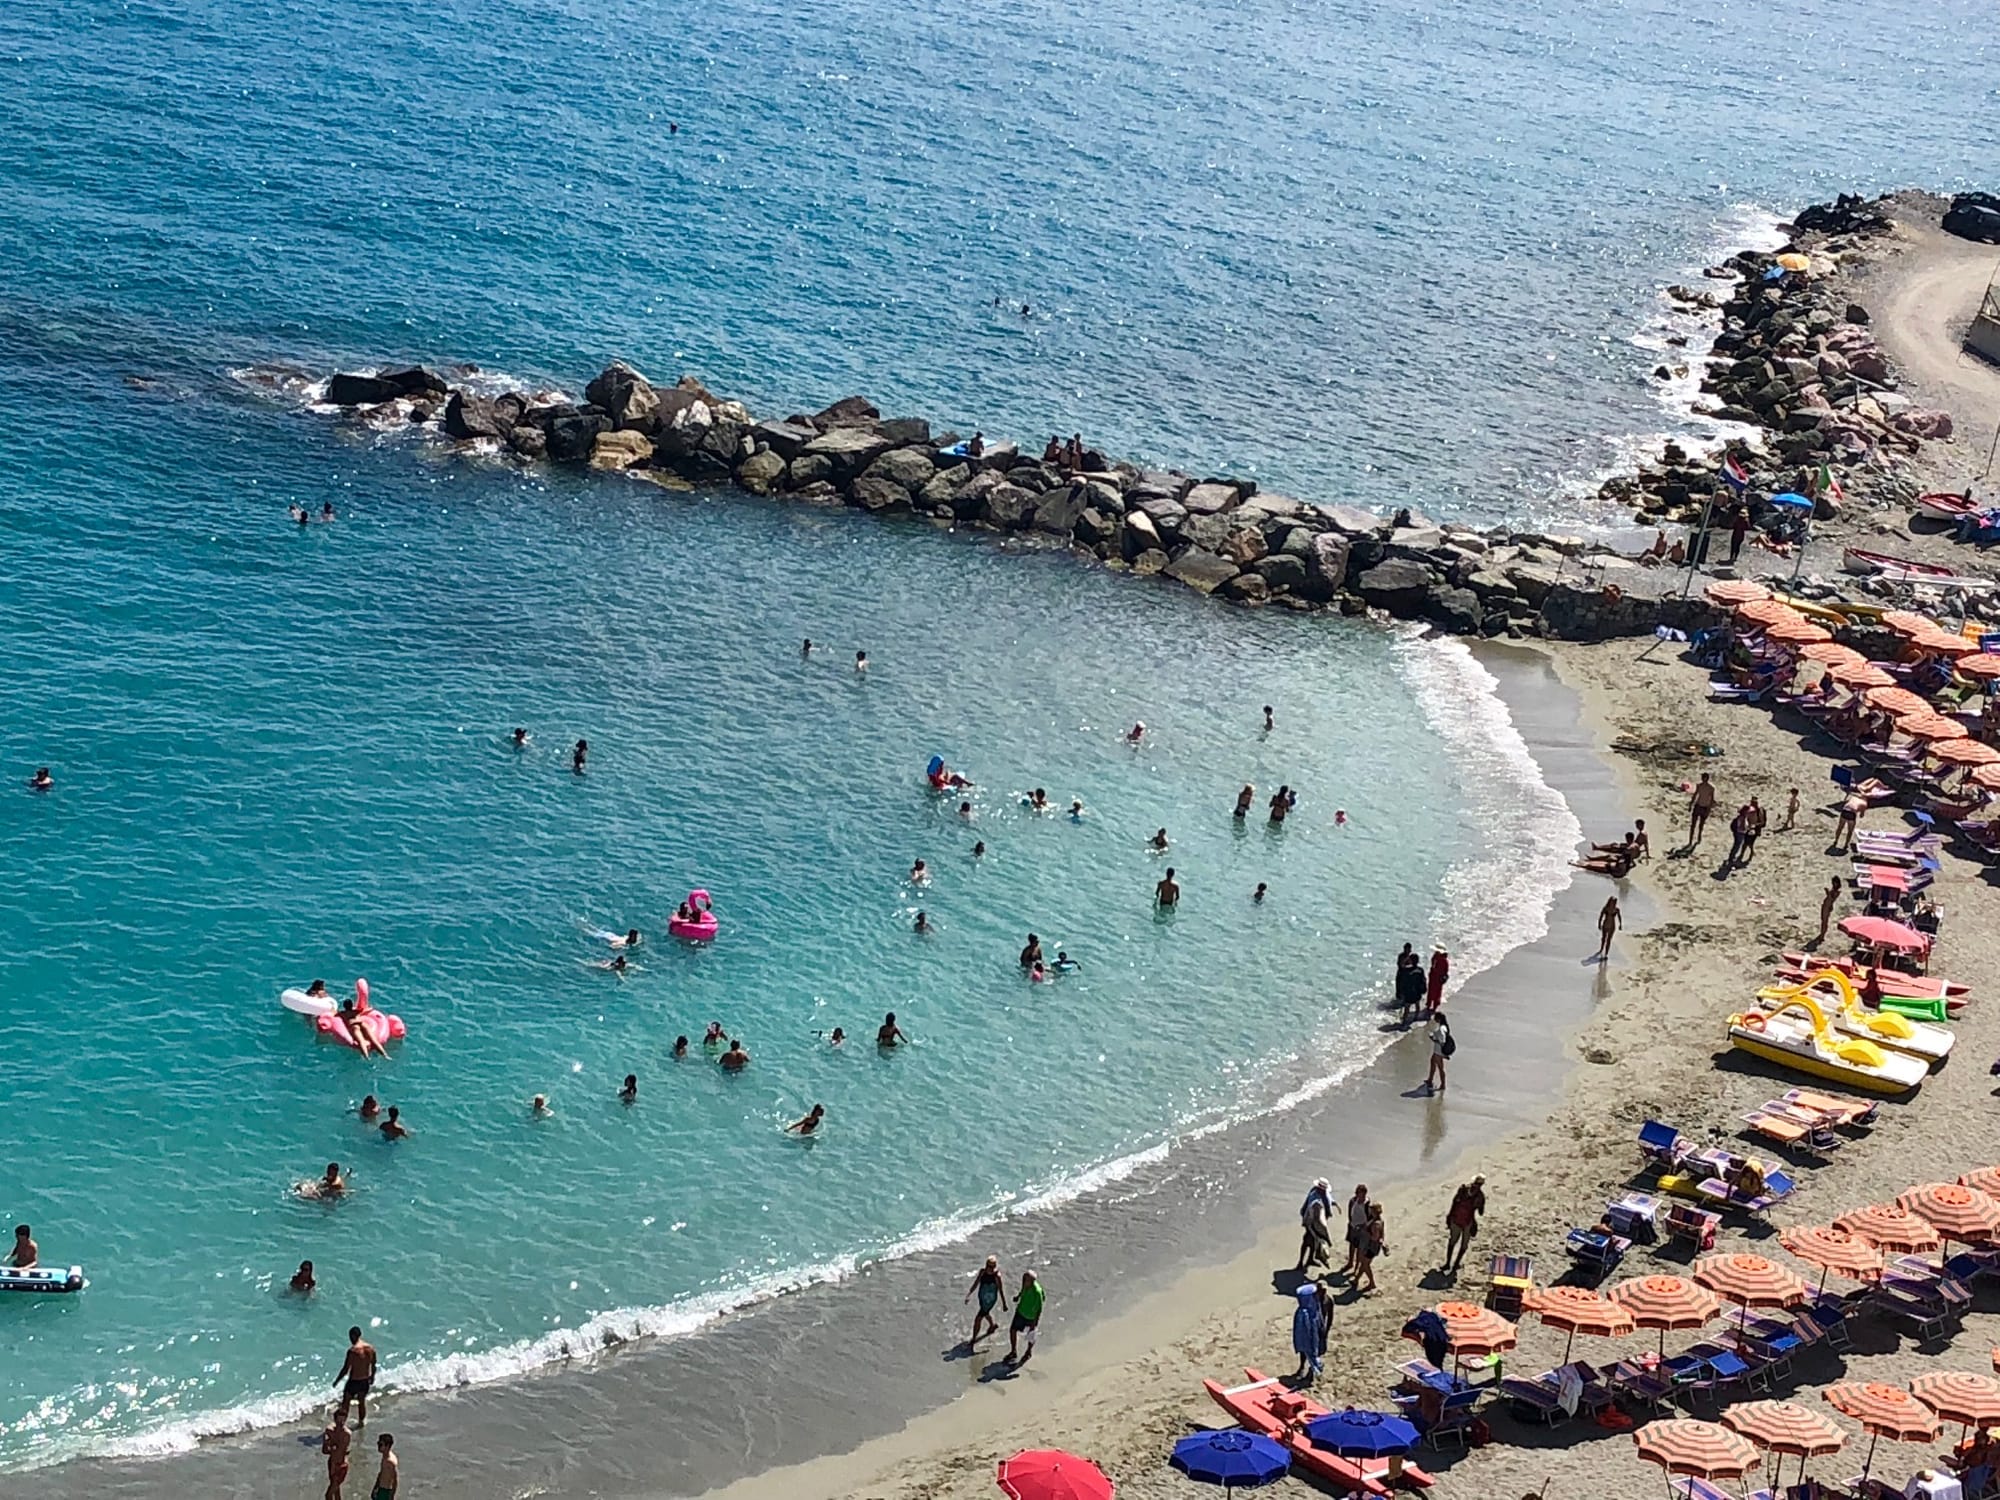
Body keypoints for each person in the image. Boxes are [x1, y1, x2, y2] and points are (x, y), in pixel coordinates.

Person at [335, 1326, 377, 1425]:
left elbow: (346, 1369)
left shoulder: (353, 1351)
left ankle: (342, 1424)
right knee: (361, 1402)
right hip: (365, 1380)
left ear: (353, 1336)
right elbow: (373, 1365)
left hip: (354, 1381)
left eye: (350, 1337)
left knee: (346, 1402)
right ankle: (361, 1423)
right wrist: (372, 1377)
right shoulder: (370, 1348)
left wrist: (337, 1381)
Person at [1443, 1176, 1485, 1274]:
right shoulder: (1479, 1195)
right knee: (1461, 1244)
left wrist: (1449, 1216)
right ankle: (1454, 1264)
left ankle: (1449, 1263)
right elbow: (1481, 1212)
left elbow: (1454, 1203)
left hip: (1458, 1219)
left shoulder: (1464, 1190)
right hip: (1466, 1221)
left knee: (1454, 1242)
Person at [966, 1255, 1008, 1347]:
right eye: (988, 1266)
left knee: (978, 1318)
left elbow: (1000, 1290)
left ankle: (974, 1338)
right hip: (982, 1297)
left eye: (992, 1267)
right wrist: (969, 1294)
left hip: (990, 1300)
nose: (990, 1269)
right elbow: (976, 1283)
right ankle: (992, 1325)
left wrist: (1004, 1303)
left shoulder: (997, 1276)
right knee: (985, 1313)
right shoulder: (982, 1272)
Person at [1007, 1270, 1043, 1366]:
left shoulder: (1037, 1292)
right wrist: (1018, 1297)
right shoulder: (1025, 1284)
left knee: (1031, 1335)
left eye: (1026, 1280)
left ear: (1031, 1282)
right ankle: (1013, 1351)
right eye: (1023, 1279)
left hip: (1031, 1317)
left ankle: (1028, 1351)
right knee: (1013, 1330)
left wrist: (1035, 1322)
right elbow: (1023, 1290)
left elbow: (1039, 1308)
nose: (1023, 1281)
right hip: (1020, 1312)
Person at [1291, 1283, 1325, 1382]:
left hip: (1314, 1335)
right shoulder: (1303, 1313)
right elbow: (1305, 1329)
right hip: (1307, 1338)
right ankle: (1314, 1369)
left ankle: (1314, 1369)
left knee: (1314, 1351)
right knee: (1309, 1351)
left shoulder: (1313, 1306)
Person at [1296, 1178, 1333, 1272]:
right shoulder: (1315, 1199)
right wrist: (1327, 1237)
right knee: (1307, 1241)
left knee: (1314, 1241)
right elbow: (1316, 1215)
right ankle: (1300, 1262)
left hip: (1317, 1222)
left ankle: (1310, 1259)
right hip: (1311, 1222)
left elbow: (1329, 1199)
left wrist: (1334, 1203)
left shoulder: (1324, 1195)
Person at [322, 1410, 353, 1500]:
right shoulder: (329, 1431)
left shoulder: (346, 1434)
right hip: (332, 1464)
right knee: (336, 1491)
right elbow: (324, 1451)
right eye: (339, 1421)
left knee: (328, 1494)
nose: (341, 1423)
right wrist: (327, 1444)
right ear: (335, 1420)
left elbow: (344, 1450)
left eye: (343, 1421)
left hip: (341, 1466)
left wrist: (334, 1445)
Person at [1342, 1185, 1370, 1277]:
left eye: (1363, 1194)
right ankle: (1350, 1262)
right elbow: (1350, 1212)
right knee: (1352, 1245)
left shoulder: (1367, 1203)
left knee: (1359, 1249)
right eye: (1359, 1194)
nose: (1361, 1196)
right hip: (1353, 1226)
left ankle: (1357, 1266)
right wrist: (1351, 1222)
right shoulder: (1353, 1201)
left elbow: (1369, 1218)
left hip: (1362, 1228)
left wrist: (1364, 1227)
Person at [1358, 1202, 1386, 1293]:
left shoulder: (1375, 1224)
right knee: (1364, 1263)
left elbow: (1375, 1237)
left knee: (1365, 1264)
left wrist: (1366, 1232)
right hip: (1373, 1247)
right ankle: (1356, 1279)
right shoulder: (1380, 1220)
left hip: (1371, 1247)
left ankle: (1372, 1283)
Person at [1394, 950, 1426, 1025]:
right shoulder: (1420, 970)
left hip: (1409, 992)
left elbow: (1403, 982)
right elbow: (1423, 980)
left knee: (1407, 1008)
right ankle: (1416, 1017)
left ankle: (1404, 1021)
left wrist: (1401, 992)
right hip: (1417, 991)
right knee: (1417, 1005)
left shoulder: (1406, 971)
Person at [1687, 772, 1716, 847]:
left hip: (1703, 807)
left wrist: (1709, 809)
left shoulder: (1710, 788)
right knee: (1694, 825)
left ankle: (1697, 838)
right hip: (1700, 806)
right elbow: (1695, 795)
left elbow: (1711, 799)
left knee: (1700, 825)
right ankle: (1692, 839)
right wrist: (1691, 804)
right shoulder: (1701, 786)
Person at [1427, 1011, 1452, 1093]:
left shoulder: (1441, 1029)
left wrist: (1433, 1039)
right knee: (1432, 1062)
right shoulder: (1445, 1027)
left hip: (1439, 1051)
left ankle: (1443, 1084)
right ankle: (1430, 1079)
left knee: (1440, 1068)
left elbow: (1442, 1041)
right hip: (1438, 1051)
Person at [1815, 875, 1843, 945]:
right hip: (1826, 905)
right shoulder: (1834, 890)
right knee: (1823, 920)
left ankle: (1822, 935)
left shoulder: (1836, 892)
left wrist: (1827, 892)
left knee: (1824, 922)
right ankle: (1822, 934)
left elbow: (1831, 898)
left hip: (1827, 906)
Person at [1739, 796, 1766, 865]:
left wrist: (1754, 825)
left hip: (1755, 829)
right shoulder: (1750, 809)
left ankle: (1750, 853)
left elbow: (1762, 822)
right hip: (1748, 828)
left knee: (1750, 843)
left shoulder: (1760, 811)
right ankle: (1743, 853)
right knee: (1745, 842)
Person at [370, 1433, 398, 1500]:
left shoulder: (390, 1462)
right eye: (378, 1444)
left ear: (387, 1446)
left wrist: (391, 1496)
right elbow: (381, 1473)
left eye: (380, 1445)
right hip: (381, 1489)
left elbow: (395, 1480)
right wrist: (375, 1487)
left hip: (385, 1491)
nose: (378, 1447)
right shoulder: (385, 1456)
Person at [1727, 801, 1755, 866]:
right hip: (1740, 833)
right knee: (1737, 846)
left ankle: (1732, 857)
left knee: (1736, 845)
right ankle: (1731, 858)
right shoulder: (1742, 818)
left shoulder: (1742, 817)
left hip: (1738, 833)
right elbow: (1742, 827)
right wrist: (1748, 829)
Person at [1426, 949, 1450, 1016]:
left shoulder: (1436, 957)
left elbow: (1432, 964)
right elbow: (1446, 971)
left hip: (1433, 977)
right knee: (1437, 993)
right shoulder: (1445, 961)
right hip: (1439, 979)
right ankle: (1434, 1006)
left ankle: (1428, 1005)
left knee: (1430, 991)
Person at [1597, 896, 1621, 960]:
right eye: (1612, 902)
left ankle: (1606, 953)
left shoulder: (1616, 910)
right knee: (1603, 938)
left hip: (1612, 926)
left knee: (1609, 940)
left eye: (1614, 902)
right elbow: (1601, 916)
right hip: (1605, 925)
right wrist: (1599, 924)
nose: (1613, 903)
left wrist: (1620, 925)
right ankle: (1601, 949)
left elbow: (1619, 917)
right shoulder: (1605, 908)